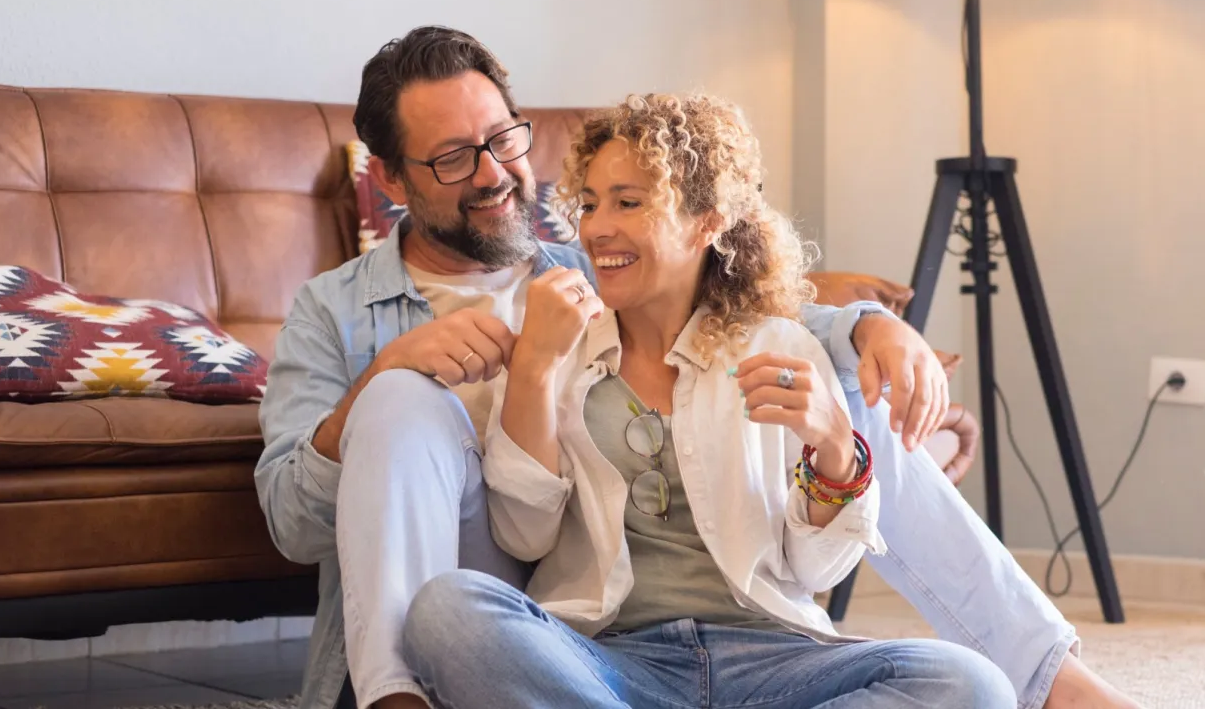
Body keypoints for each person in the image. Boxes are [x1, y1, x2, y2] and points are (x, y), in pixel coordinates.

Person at [254, 26, 1137, 709]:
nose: (494, 174)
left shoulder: (583, 258)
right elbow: (295, 525)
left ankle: (1049, 676)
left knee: (850, 404)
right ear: (393, 181)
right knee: (404, 411)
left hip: (711, 636)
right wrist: (382, 382)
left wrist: (871, 329)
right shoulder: (334, 311)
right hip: (526, 601)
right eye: (452, 158)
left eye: (506, 141)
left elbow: (753, 318)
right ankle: (400, 698)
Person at [402, 92, 1015, 707]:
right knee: (448, 612)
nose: (596, 227)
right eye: (588, 204)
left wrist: (835, 448)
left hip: (773, 658)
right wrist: (533, 367)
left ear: (708, 221)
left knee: (970, 683)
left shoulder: (783, 346)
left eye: (629, 202)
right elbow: (523, 536)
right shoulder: (556, 346)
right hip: (609, 662)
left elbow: (816, 571)